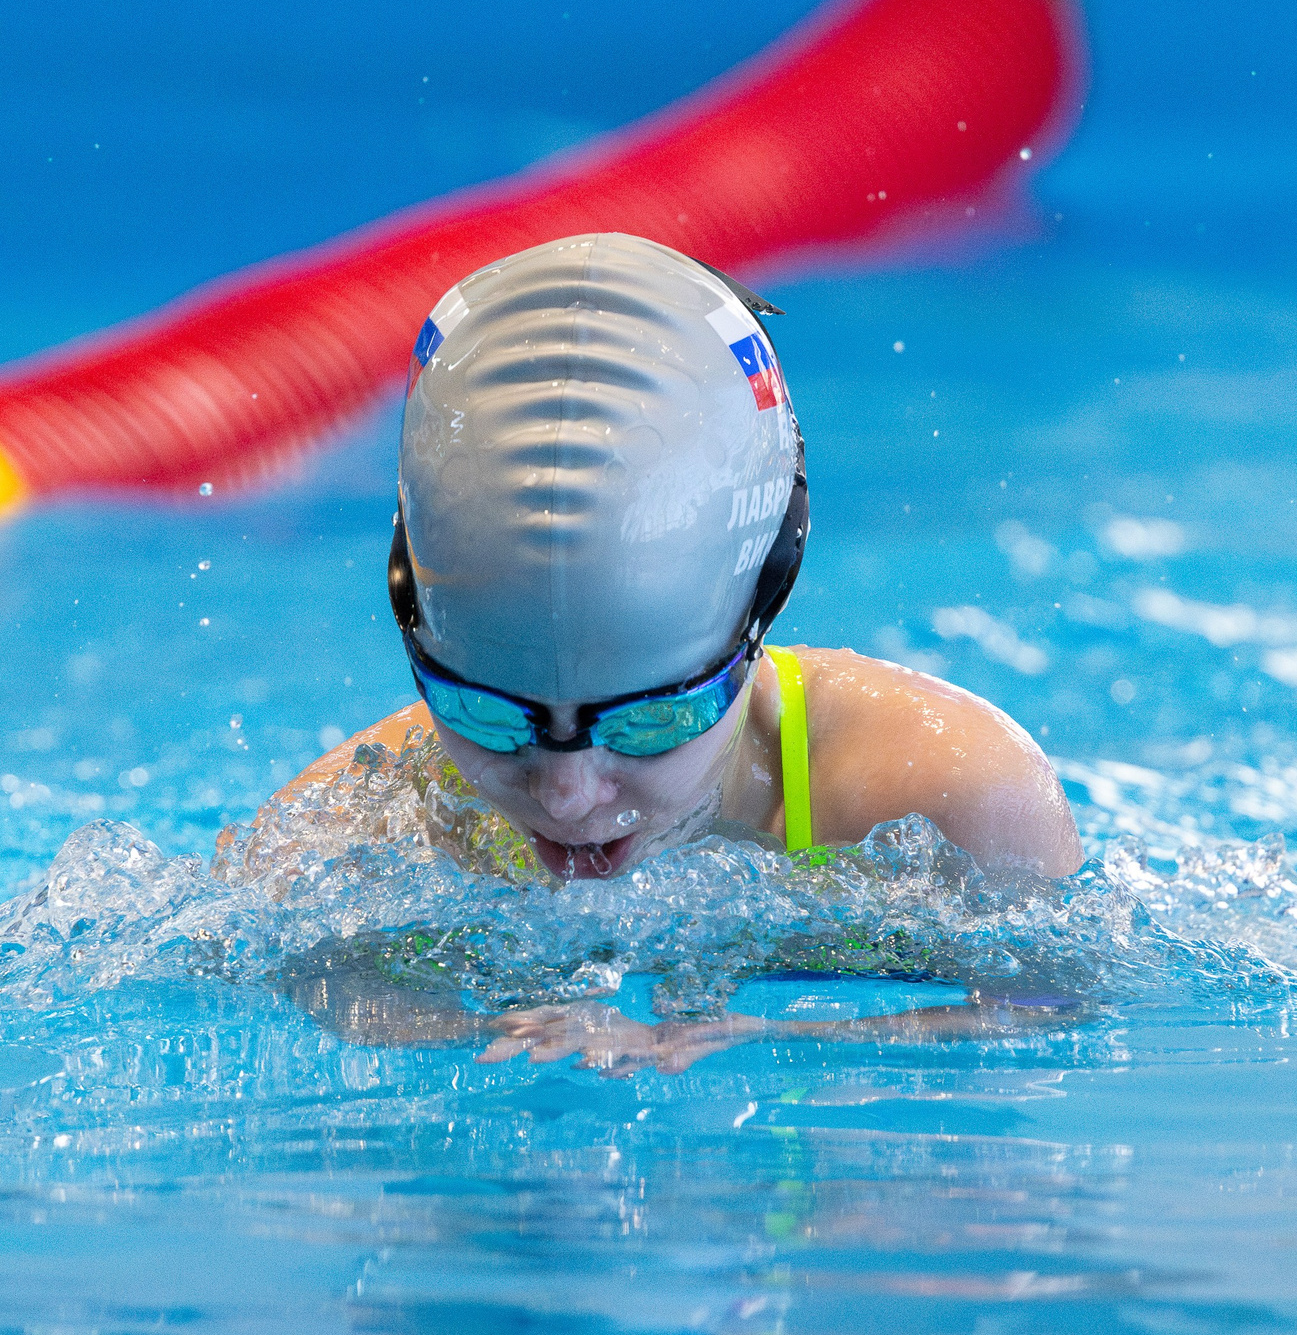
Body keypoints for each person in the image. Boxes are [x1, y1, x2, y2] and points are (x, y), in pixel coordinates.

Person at [260, 233, 1083, 1074]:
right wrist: (472, 1039)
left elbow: (1057, 1003)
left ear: (758, 614)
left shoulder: (948, 799)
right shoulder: (360, 826)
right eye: (488, 714)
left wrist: (769, 1047)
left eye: (654, 718)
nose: (567, 795)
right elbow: (296, 974)